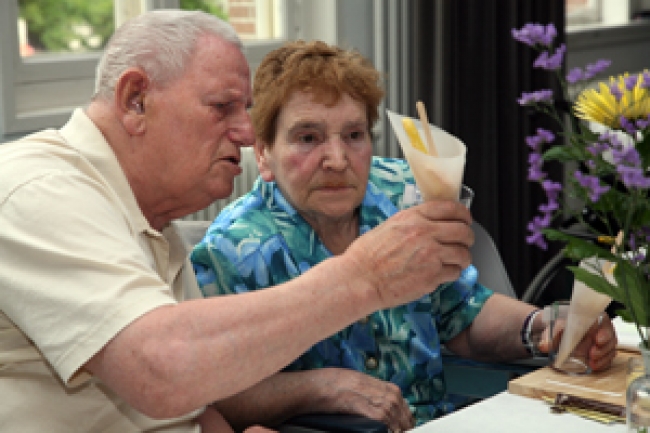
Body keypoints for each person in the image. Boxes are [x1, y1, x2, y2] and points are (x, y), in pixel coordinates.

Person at [0, 11, 479, 433]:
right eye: (223, 107)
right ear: (136, 99)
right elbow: (160, 371)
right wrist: (366, 277)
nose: (248, 133)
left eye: (246, 110)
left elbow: (191, 406)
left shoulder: (153, 225)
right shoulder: (38, 188)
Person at [190, 40, 619, 431]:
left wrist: (543, 326)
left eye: (354, 135)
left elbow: (463, 314)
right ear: (263, 154)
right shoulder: (233, 249)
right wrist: (319, 388)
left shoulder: (402, 192)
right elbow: (215, 398)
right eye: (308, 137)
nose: (337, 159)